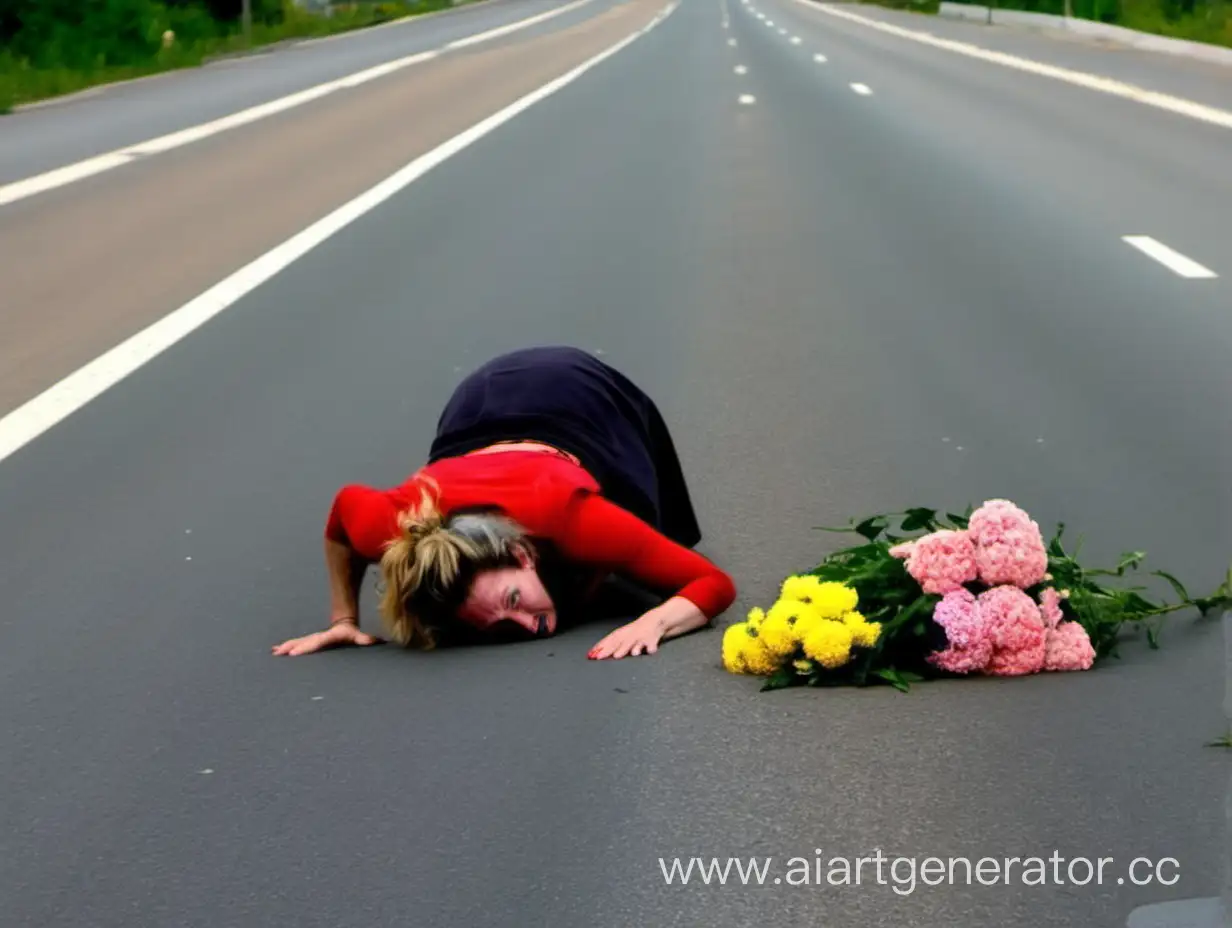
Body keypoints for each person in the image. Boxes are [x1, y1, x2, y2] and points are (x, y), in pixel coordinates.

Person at [272, 346, 736, 660]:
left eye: (512, 600)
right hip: (479, 403)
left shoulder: (572, 517)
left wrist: (654, 622)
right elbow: (342, 512)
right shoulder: (389, 524)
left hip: (580, 395)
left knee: (650, 549)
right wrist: (343, 619)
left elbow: (711, 582)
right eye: (497, 620)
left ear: (522, 553)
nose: (524, 624)